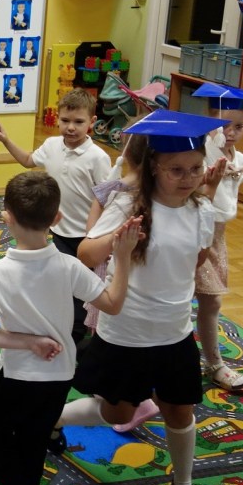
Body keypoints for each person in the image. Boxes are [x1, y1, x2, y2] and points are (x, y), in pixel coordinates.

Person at [52, 109, 228, 485]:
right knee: (117, 411)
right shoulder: (129, 205)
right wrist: (120, 242)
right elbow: (85, 253)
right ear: (154, 167)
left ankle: (182, 484)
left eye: (195, 169)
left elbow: (198, 257)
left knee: (180, 410)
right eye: (176, 170)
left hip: (174, 332)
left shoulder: (202, 209)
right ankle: (53, 420)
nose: (187, 178)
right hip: (126, 332)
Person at [0, 171, 141, 485]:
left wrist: (29, 342)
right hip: (59, 375)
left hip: (16, 376)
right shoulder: (70, 266)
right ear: (57, 218)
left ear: (6, 217)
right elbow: (112, 304)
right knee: (34, 438)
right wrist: (122, 257)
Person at [0, 87, 111, 345]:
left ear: (92, 122)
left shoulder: (98, 157)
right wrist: (5, 139)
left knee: (83, 286)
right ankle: (61, 324)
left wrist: (97, 232)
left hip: (86, 236)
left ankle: (77, 334)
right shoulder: (51, 145)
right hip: (57, 230)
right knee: (60, 281)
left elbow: (105, 197)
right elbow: (28, 160)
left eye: (78, 122)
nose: (70, 127)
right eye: (65, 120)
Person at [84, 132, 160, 433]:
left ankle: (132, 402)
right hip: (137, 289)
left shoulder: (125, 196)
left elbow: (88, 246)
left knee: (106, 338)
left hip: (116, 280)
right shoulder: (129, 191)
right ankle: (131, 397)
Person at [191, 83, 243, 391]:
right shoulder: (202, 150)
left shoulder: (238, 158)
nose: (230, 133)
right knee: (208, 299)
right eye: (223, 125)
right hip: (195, 231)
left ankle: (211, 361)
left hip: (217, 235)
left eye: (239, 127)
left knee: (210, 300)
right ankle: (213, 362)